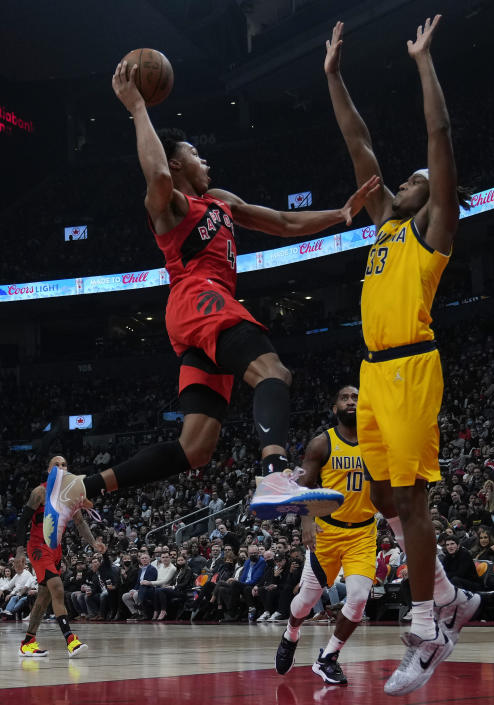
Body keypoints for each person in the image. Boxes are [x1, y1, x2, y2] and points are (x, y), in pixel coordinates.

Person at [37, 59, 378, 551]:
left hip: (197, 315)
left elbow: (280, 220)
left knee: (195, 448)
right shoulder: (171, 203)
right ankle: (275, 473)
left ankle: (79, 488)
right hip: (200, 298)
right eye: (196, 154)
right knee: (273, 372)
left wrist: (341, 212)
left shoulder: (217, 200)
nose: (206, 160)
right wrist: (136, 105)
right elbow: (155, 173)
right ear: (178, 163)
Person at [325, 16, 478, 695]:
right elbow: (358, 142)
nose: (408, 181)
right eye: (407, 179)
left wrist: (423, 62)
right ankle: (449, 592)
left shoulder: (435, 229)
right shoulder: (385, 222)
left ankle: (427, 630)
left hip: (413, 365)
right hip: (372, 372)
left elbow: (438, 140)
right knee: (385, 494)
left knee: (412, 504)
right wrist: (333, 76)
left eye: (418, 179)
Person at [275, 386, 377, 686]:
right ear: (335, 409)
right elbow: (304, 485)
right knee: (306, 602)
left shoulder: (376, 442)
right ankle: (291, 632)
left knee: (358, 598)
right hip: (327, 532)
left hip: (363, 531)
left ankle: (328, 657)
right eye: (345, 397)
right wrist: (306, 520)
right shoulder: (322, 443)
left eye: (357, 397)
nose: (351, 401)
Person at [15, 456, 105, 658]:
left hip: (55, 550)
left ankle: (28, 642)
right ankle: (71, 640)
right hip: (38, 548)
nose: (61, 467)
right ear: (49, 471)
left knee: (43, 598)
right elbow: (22, 523)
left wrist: (93, 543)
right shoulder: (39, 492)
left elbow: (80, 523)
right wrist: (20, 551)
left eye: (64, 464)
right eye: (56, 464)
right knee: (57, 587)